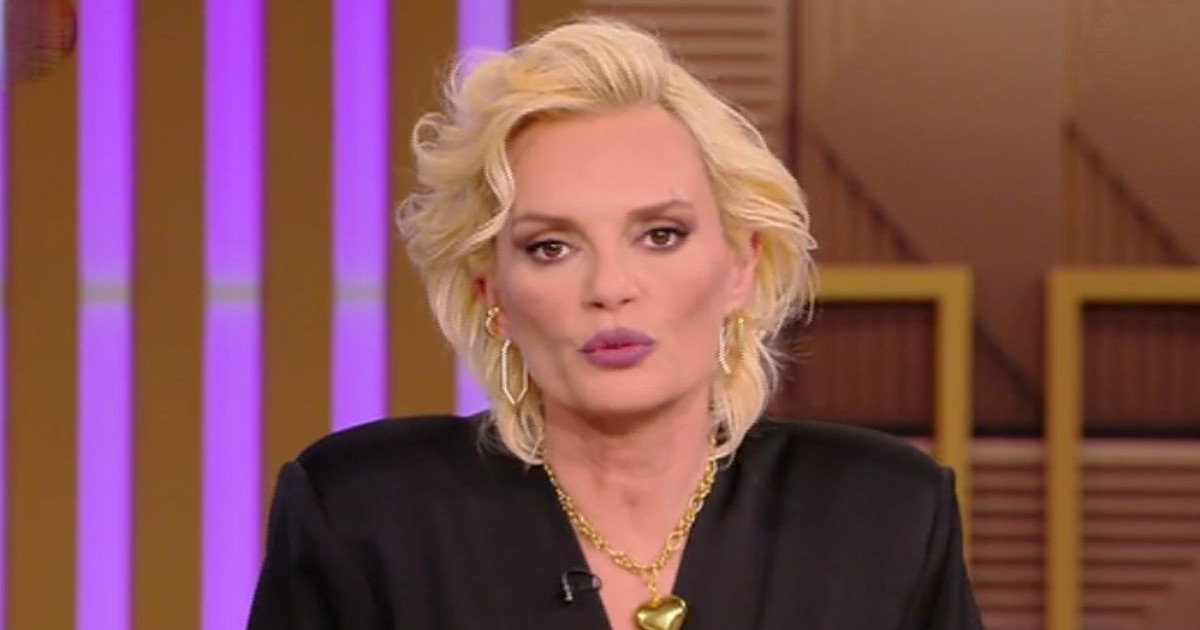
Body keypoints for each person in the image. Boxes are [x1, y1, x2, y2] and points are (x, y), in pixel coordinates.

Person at [247, 17, 983, 630]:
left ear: (741, 266)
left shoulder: (885, 514)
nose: (609, 289)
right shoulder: (364, 515)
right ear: (491, 291)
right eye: (551, 247)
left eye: (660, 235)